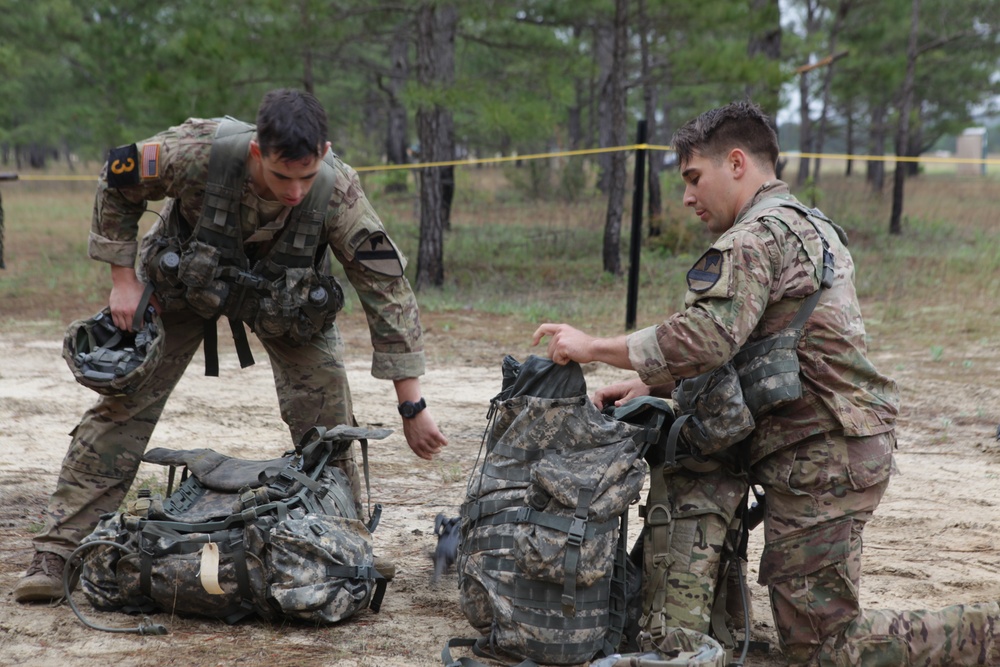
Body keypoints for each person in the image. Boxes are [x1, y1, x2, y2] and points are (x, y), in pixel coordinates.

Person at [532, 101, 1000, 665]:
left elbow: (707, 337)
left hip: (821, 455)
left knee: (828, 647)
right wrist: (657, 387)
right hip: (827, 445)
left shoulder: (753, 237)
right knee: (806, 622)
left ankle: (985, 633)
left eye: (692, 177)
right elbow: (769, 348)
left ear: (735, 162)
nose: (686, 197)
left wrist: (593, 347)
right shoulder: (807, 223)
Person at [14, 88, 448, 603]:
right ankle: (59, 549)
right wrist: (122, 278)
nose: (294, 191)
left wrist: (411, 403)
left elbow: (386, 289)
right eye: (282, 176)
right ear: (257, 152)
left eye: (306, 176)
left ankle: (340, 542)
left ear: (325, 154)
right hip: (183, 286)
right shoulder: (196, 151)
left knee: (327, 426)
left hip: (286, 304)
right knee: (123, 407)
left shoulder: (338, 191)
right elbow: (118, 176)